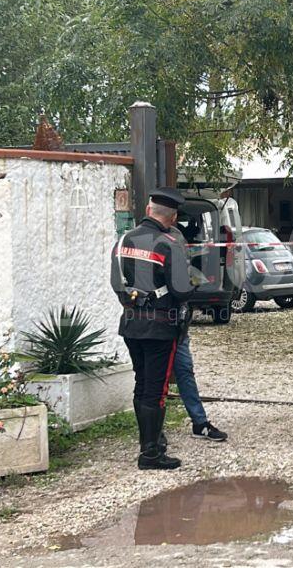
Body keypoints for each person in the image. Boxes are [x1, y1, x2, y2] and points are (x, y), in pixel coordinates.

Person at [110, 187, 195, 470]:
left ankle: (150, 442)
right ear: (172, 217)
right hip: (160, 326)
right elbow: (181, 289)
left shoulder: (123, 240)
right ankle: (151, 453)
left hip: (131, 322)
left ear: (148, 210)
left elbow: (116, 283)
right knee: (156, 390)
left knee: (142, 382)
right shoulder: (168, 243)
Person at [167, 228, 228, 442]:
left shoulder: (184, 263)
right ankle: (152, 432)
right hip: (160, 327)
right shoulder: (161, 260)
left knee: (185, 371)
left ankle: (199, 422)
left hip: (180, 328)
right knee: (154, 379)